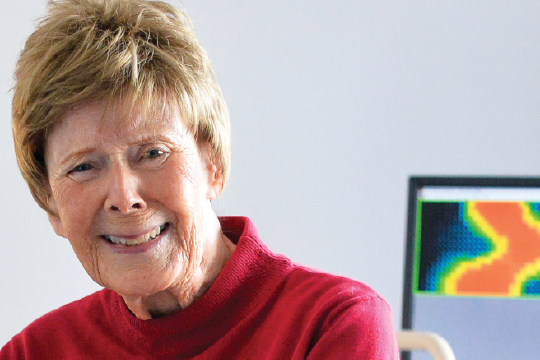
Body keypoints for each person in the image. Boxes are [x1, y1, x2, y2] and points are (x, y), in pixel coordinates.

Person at [1, 0, 400, 358]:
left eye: (153, 154)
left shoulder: (333, 325)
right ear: (50, 202)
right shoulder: (33, 352)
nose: (124, 197)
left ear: (213, 164)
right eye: (84, 167)